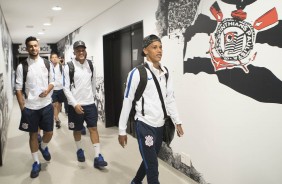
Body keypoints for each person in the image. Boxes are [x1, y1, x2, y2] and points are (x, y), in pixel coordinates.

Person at [118, 34, 184, 184]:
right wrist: (122, 130)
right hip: (144, 125)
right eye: (154, 47)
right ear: (145, 51)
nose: (159, 50)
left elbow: (170, 98)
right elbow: (127, 101)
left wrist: (177, 121)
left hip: (160, 126)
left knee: (150, 158)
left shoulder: (166, 72)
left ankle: (135, 181)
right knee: (153, 167)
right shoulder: (137, 73)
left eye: (160, 47)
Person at [63, 40, 107, 169]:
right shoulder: (69, 66)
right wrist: (75, 104)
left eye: (83, 50)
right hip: (75, 105)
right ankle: (79, 150)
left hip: (89, 104)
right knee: (77, 129)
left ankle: (98, 156)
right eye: (78, 50)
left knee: (93, 128)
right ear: (74, 52)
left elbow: (93, 84)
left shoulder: (91, 65)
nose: (81, 52)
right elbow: (66, 88)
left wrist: (92, 98)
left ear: (85, 51)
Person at [15, 36, 55, 178]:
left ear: (39, 46)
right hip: (30, 107)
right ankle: (36, 162)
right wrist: (22, 108)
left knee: (49, 133)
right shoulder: (22, 66)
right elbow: (18, 88)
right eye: (30, 46)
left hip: (46, 105)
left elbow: (53, 81)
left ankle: (43, 147)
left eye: (35, 45)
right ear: (27, 48)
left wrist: (48, 89)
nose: (33, 48)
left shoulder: (47, 63)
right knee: (33, 135)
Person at [50, 52, 66, 128]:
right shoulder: (48, 67)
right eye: (53, 57)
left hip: (60, 88)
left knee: (59, 105)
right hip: (52, 89)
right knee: (55, 105)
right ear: (50, 59)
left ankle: (56, 116)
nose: (54, 58)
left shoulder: (61, 67)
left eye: (55, 57)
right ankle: (56, 120)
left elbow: (65, 77)